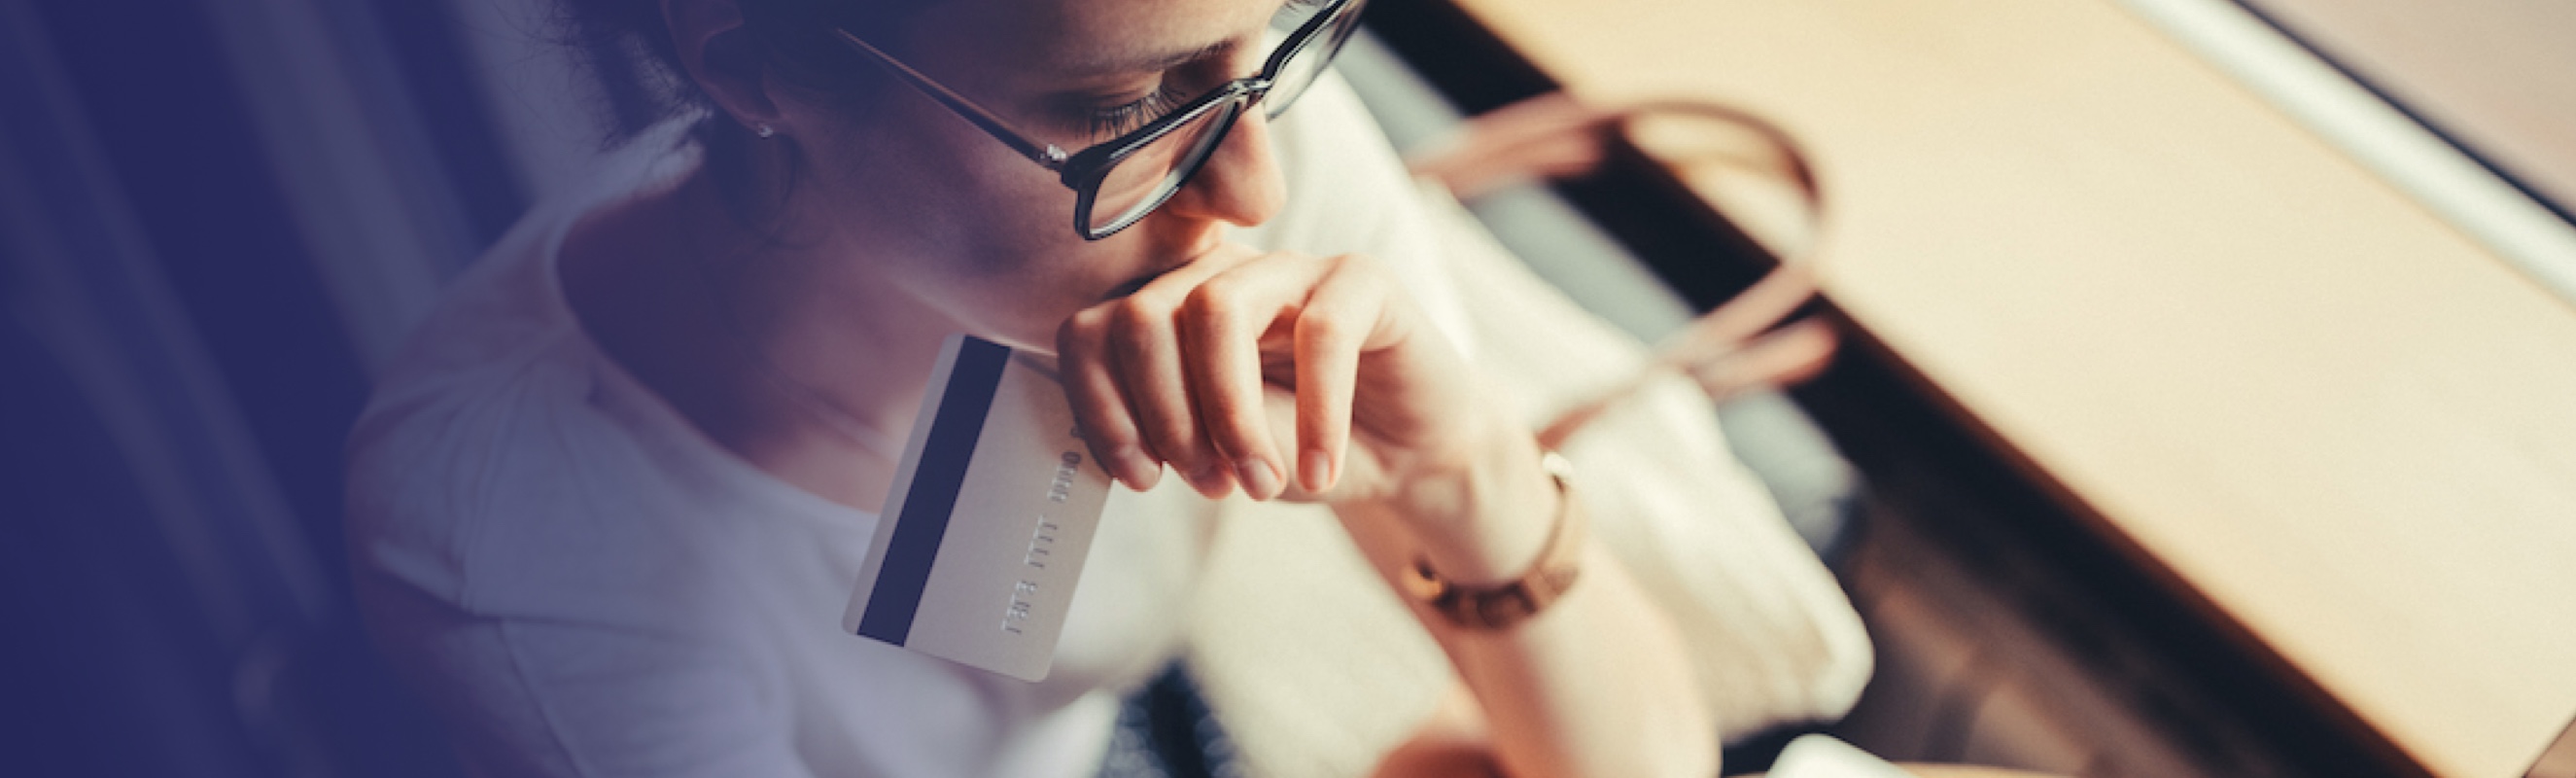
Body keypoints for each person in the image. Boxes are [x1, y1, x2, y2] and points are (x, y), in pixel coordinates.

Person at [344, 0, 1872, 775]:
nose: (1258, 176)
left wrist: (1461, 476)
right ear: (759, 72)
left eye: (1265, 45)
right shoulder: (520, 557)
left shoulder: (1241, 166)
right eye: (1123, 107)